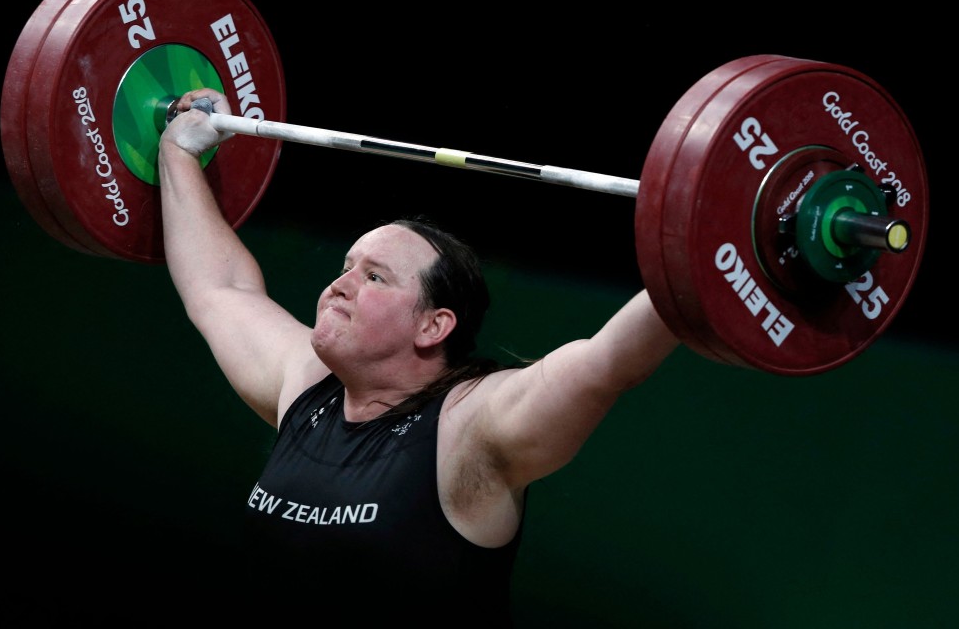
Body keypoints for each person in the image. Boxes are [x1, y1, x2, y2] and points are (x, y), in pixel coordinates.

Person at [157, 89, 680, 624]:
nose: (340, 285)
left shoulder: (472, 425)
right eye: (347, 265)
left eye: (375, 276)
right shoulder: (307, 385)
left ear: (434, 326)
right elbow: (220, 290)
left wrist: (698, 253)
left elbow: (606, 362)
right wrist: (179, 152)